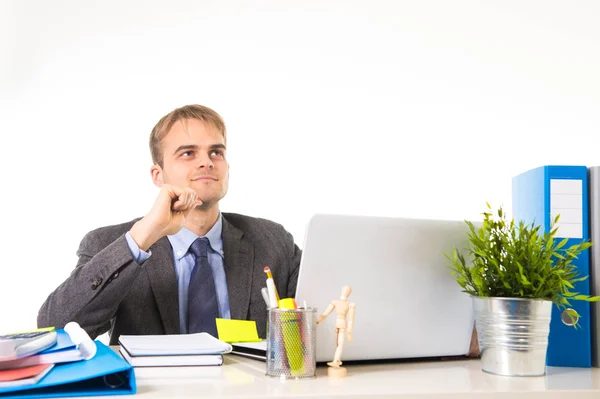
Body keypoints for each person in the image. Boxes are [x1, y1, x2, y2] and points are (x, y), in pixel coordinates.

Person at [37, 104, 302, 344]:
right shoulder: (109, 243)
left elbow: (321, 321)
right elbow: (55, 328)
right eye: (188, 153)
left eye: (216, 152)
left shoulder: (272, 240)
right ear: (158, 175)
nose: (206, 161)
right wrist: (143, 236)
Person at [316, 285, 356, 369]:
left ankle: (336, 360)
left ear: (349, 293)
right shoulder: (335, 302)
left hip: (342, 325)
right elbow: (325, 313)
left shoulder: (350, 305)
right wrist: (318, 320)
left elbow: (350, 320)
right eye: (344, 290)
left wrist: (349, 331)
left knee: (340, 344)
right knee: (337, 343)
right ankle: (337, 360)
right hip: (337, 325)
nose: (345, 292)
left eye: (347, 291)